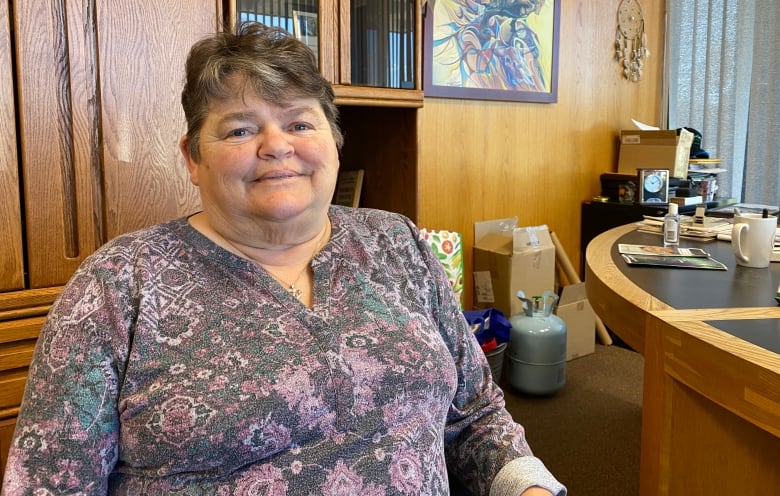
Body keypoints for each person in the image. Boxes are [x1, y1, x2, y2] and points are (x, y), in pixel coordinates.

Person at [1, 22, 566, 495]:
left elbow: (474, 417)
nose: (277, 145)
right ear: (192, 158)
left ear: (334, 142)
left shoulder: (399, 244)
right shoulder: (118, 285)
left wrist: (529, 487)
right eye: (241, 129)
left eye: (299, 122)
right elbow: (50, 484)